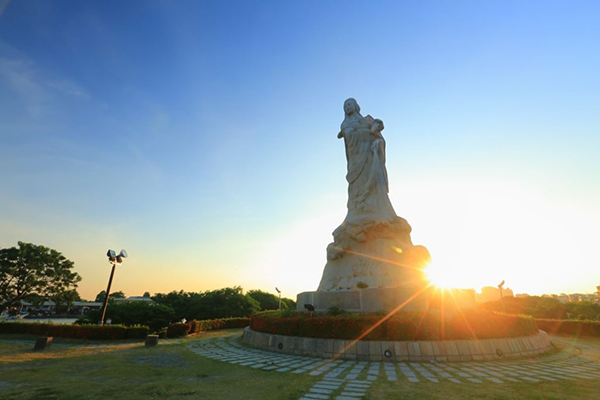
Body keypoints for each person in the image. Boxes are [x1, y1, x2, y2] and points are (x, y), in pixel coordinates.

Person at [337, 98, 397, 224]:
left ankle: (379, 209)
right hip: (357, 159)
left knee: (375, 180)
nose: (347, 107)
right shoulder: (345, 124)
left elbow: (378, 129)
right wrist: (368, 132)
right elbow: (351, 137)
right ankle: (360, 208)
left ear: (355, 106)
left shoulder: (366, 120)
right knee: (359, 183)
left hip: (370, 155)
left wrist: (375, 135)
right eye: (345, 106)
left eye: (349, 104)